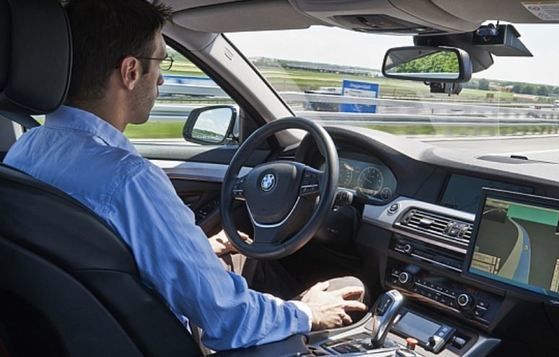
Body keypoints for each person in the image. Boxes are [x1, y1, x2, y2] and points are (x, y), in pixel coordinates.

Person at [3, 0, 366, 351]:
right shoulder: (129, 179)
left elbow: (89, 250)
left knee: (241, 258)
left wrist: (192, 250)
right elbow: (225, 319)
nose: (161, 78)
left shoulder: (26, 149)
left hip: (75, 330)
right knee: (349, 288)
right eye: (160, 61)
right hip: (156, 337)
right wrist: (307, 312)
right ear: (130, 72)